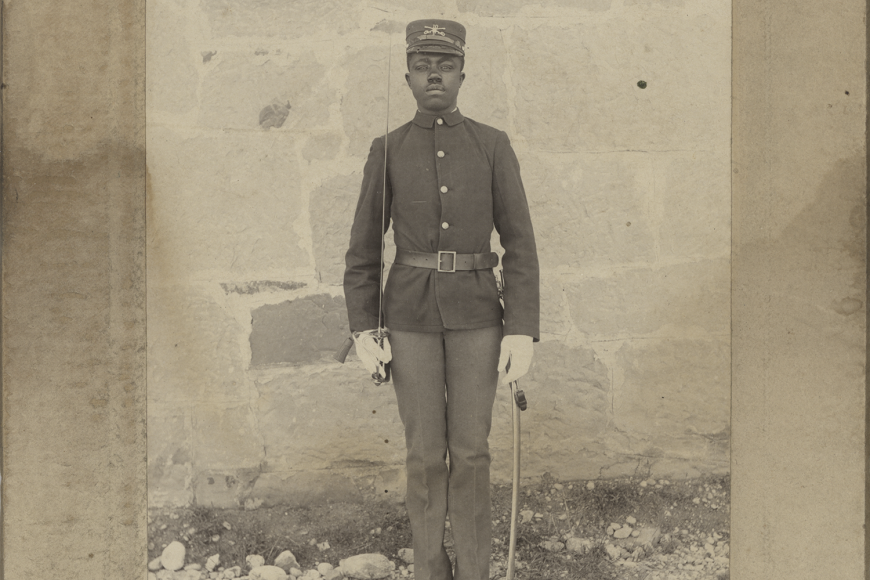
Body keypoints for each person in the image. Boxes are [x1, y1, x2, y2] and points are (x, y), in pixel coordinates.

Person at [343, 19, 540, 580]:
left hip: (480, 315)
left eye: (446, 65)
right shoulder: (388, 150)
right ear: (407, 76)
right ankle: (432, 570)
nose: (435, 74)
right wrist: (363, 328)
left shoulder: (491, 145)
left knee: (471, 452)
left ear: (462, 74)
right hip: (408, 318)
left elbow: (521, 242)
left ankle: (475, 571)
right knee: (425, 456)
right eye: (424, 65)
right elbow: (362, 249)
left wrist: (521, 326)